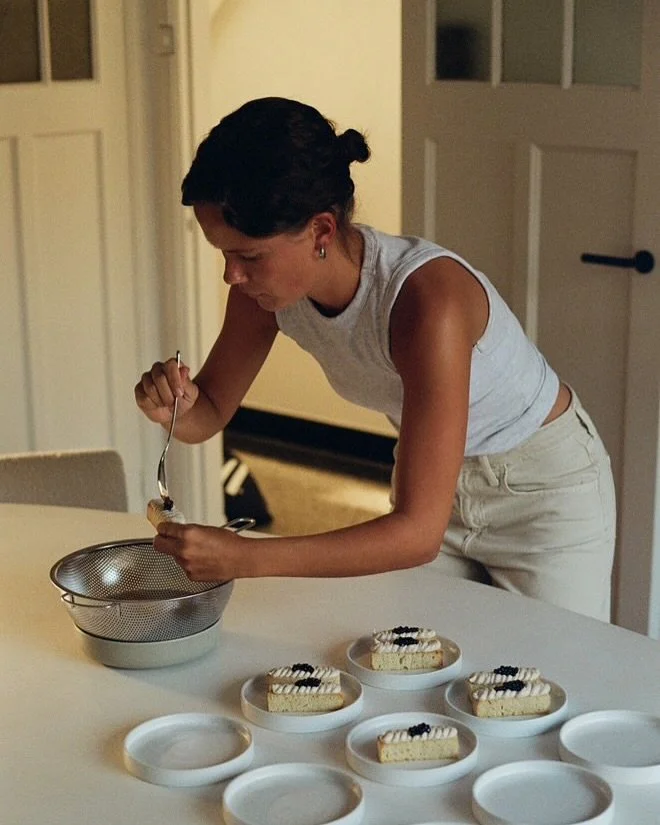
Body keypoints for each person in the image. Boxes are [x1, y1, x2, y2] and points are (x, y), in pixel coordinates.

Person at [135, 97, 616, 622]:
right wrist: (174, 405)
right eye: (224, 254)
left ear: (321, 230)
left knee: (550, 667)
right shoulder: (261, 295)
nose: (232, 275)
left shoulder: (426, 302)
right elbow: (207, 415)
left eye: (248, 255)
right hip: (436, 485)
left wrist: (247, 557)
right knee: (407, 653)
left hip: (543, 495)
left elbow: (416, 534)